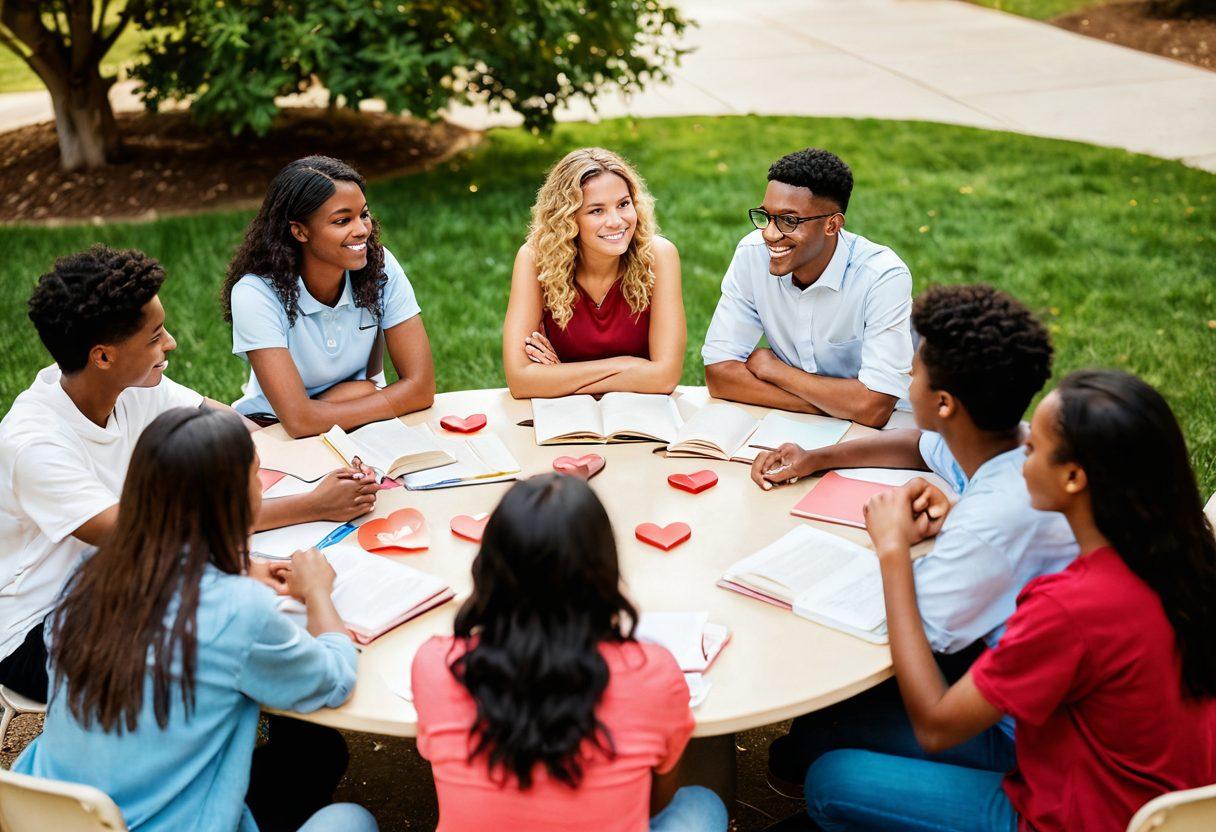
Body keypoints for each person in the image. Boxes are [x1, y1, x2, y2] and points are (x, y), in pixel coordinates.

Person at [802, 369, 1216, 830]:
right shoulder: (1174, 559)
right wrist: (959, 517)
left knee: (828, 778)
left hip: (1072, 813)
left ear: (1075, 477)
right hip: (1145, 782)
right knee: (825, 730)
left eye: (1033, 449)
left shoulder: (1070, 607)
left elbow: (936, 726)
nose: (1021, 463)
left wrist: (893, 551)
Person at [0, 246, 376, 703]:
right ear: (103, 356)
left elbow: (233, 430)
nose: (171, 343)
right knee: (237, 637)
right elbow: (149, 536)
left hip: (127, 582)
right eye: (155, 337)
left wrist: (328, 453)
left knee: (252, 620)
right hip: (41, 630)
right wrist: (305, 510)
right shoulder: (36, 444)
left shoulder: (128, 384)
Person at [752, 285, 1078, 795]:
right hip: (1002, 662)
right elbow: (920, 445)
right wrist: (817, 457)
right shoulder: (1000, 440)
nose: (908, 374)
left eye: (917, 368)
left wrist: (891, 547)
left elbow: (915, 635)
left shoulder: (993, 521)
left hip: (1022, 734)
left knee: (817, 744)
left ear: (944, 403)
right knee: (811, 732)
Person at [13, 407, 378, 832]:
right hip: (180, 821)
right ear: (234, 501)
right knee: (351, 820)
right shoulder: (238, 610)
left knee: (314, 751)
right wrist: (317, 591)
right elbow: (332, 681)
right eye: (257, 477)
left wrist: (237, 568)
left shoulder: (87, 575)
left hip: (57, 816)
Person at [411, 474, 728, 832]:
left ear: (488, 566)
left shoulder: (437, 666)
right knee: (702, 806)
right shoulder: (652, 673)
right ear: (604, 571)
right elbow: (655, 801)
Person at [223, 155, 435, 436]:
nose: (361, 230)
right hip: (272, 430)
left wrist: (321, 409)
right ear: (300, 231)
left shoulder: (378, 266)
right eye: (342, 220)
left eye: (364, 214)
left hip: (361, 422)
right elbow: (297, 423)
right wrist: (378, 397)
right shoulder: (255, 294)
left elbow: (421, 389)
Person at [701, 148, 912, 427]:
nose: (769, 233)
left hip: (877, 436)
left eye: (789, 221)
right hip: (787, 424)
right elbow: (720, 375)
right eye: (766, 216)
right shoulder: (752, 255)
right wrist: (832, 406)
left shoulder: (881, 277)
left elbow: (874, 407)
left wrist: (776, 372)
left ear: (832, 225)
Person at [502, 147, 686, 398]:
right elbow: (520, 381)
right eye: (596, 210)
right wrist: (631, 367)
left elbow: (665, 378)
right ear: (567, 218)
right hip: (564, 417)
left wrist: (559, 376)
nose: (616, 221)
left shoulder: (659, 255)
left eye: (623, 204)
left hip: (641, 415)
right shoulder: (535, 259)